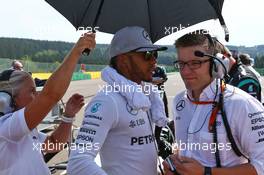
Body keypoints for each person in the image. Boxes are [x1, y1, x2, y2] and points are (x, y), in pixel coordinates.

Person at [67, 26, 168, 175]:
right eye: (147, 54)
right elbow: (78, 162)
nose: (154, 61)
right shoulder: (107, 100)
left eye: (155, 54)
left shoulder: (145, 95)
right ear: (123, 60)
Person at [163, 30, 264, 175]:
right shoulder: (179, 101)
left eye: (195, 63)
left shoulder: (242, 104)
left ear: (216, 64)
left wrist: (207, 172)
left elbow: (261, 166)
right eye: (181, 63)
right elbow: (186, 150)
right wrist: (174, 163)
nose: (185, 72)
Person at [0, 33, 95, 175]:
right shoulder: (5, 127)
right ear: (8, 98)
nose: (37, 95)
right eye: (32, 91)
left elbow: (55, 143)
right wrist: (76, 51)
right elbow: (50, 95)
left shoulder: (19, 128)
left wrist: (68, 116)